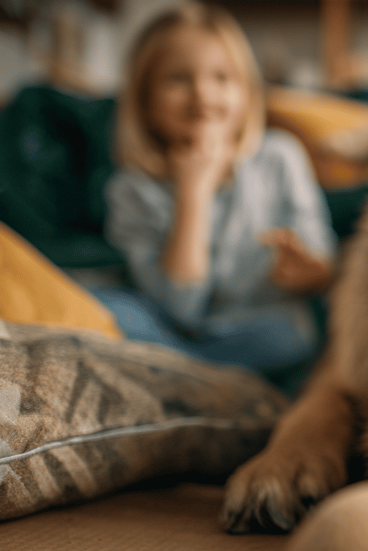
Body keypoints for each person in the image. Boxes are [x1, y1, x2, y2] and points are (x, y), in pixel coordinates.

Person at [98, 2, 336, 388]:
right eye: (177, 79)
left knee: (298, 334)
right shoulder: (130, 189)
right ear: (144, 100)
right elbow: (181, 307)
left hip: (267, 331)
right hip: (178, 335)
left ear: (247, 92)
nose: (203, 95)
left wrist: (311, 271)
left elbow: (323, 258)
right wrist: (194, 191)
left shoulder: (280, 157)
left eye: (222, 78)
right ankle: (204, 381)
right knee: (114, 311)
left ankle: (193, 382)